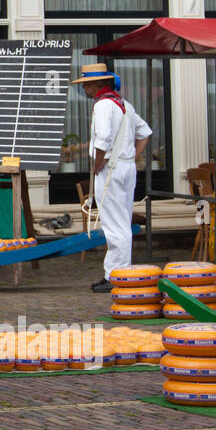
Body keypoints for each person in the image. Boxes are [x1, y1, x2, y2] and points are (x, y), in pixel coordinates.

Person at [72, 63, 152, 293]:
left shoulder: (104, 105)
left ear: (98, 84)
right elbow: (144, 133)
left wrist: (98, 164)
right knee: (121, 220)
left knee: (114, 224)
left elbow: (103, 139)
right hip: (125, 167)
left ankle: (117, 275)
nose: (85, 88)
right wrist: (130, 157)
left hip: (111, 169)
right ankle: (119, 272)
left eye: (87, 83)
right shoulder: (124, 104)